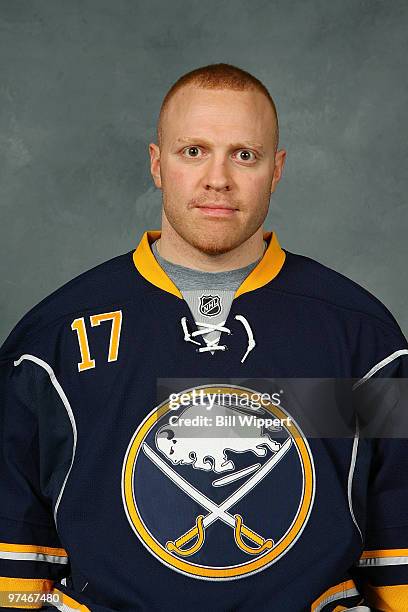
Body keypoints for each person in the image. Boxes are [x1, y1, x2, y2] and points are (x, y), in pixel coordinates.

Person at [1, 62, 407, 612]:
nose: (219, 178)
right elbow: (16, 561)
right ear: (157, 163)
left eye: (245, 154)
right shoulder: (51, 343)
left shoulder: (361, 340)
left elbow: (395, 552)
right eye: (193, 151)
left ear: (277, 168)